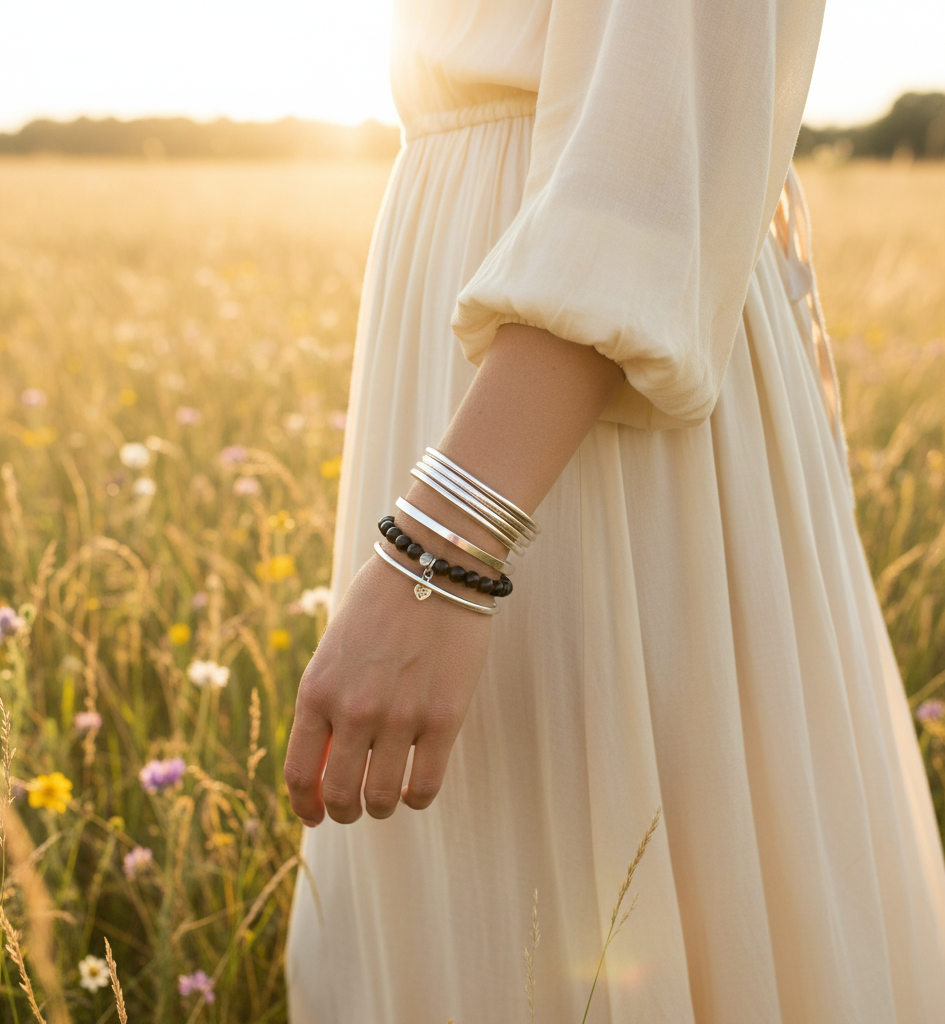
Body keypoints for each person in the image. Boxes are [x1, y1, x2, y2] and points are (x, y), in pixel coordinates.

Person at [283, 0, 945, 1020]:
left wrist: (442, 547)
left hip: (588, 393)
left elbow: (646, 146)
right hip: (498, 355)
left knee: (605, 902)